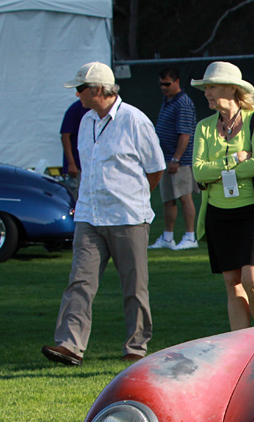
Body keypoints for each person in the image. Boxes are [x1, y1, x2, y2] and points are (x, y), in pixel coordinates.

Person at [42, 62, 166, 366]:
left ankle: (136, 347)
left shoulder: (135, 121)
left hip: (128, 217)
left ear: (98, 89)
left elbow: (156, 168)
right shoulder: (86, 121)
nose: (78, 95)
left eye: (81, 89)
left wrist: (133, 197)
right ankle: (70, 345)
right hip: (89, 216)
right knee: (79, 282)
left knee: (134, 286)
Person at [191, 61, 254, 331]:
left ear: (232, 89)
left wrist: (216, 172)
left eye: (212, 86)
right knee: (232, 283)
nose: (207, 92)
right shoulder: (204, 127)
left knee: (253, 279)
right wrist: (233, 160)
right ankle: (241, 347)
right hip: (219, 212)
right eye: (205, 87)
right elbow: (198, 173)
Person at [150, 67, 199, 250]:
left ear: (177, 81)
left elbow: (185, 134)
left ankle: (190, 237)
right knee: (168, 199)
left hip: (180, 162)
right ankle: (168, 237)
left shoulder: (183, 103)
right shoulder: (168, 100)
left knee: (185, 197)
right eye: (161, 84)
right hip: (165, 160)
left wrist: (176, 159)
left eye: (167, 84)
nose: (164, 87)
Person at [59, 98, 89, 195]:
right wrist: (71, 163)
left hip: (91, 165)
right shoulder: (76, 108)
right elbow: (65, 136)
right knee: (75, 194)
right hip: (78, 166)